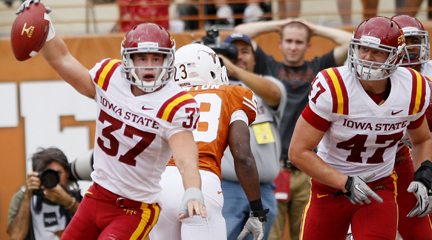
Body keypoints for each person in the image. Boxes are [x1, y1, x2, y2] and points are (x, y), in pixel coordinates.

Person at [16, 1, 207, 239]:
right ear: (128, 59)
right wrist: (45, 28)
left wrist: (193, 189)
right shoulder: (110, 77)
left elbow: (185, 159)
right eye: (141, 58)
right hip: (95, 196)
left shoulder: (174, 104)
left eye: (156, 59)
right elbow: (63, 60)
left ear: (168, 61)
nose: (149, 66)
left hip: (134, 209)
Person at [288, 16, 432, 239]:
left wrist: (423, 174)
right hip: (329, 188)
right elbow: (298, 152)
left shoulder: (412, 87)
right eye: (363, 48)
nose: (367, 58)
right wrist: (344, 181)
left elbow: (422, 139)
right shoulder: (334, 85)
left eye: (378, 52)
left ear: (396, 57)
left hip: (378, 188)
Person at [233, 18, 351, 240]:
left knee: (306, 233)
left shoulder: (319, 67)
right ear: (279, 43)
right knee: (272, 234)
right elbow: (240, 31)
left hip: (309, 168)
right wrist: (282, 23)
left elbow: (351, 41)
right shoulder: (268, 67)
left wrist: (314, 28)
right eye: (288, 41)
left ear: (308, 45)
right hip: (277, 169)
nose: (293, 46)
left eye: (299, 42)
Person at [150, 43, 270, 240]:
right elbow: (242, 156)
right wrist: (257, 210)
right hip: (202, 183)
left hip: (160, 187)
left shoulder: (161, 98)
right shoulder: (232, 94)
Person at [216, 33, 287, 240]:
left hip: (264, 189)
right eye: (233, 52)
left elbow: (275, 94)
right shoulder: (216, 90)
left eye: (245, 52)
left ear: (255, 59)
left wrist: (233, 67)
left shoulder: (267, 85)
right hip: (228, 187)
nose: (239, 56)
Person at [390, 14, 432, 240]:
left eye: (415, 40)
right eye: (404, 41)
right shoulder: (377, 73)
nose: (411, 47)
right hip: (393, 157)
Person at [7, 147, 82, 240]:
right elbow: (16, 236)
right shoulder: (23, 196)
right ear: (37, 176)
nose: (53, 180)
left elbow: (93, 225)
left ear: (67, 173)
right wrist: (27, 196)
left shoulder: (74, 195)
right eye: (47, 175)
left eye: (58, 173)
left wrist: (69, 202)